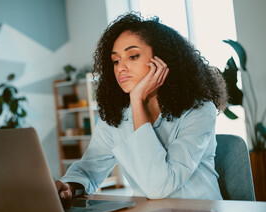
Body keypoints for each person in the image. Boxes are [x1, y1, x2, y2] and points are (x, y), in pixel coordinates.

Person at [55, 13, 228, 200]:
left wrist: (137, 100)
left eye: (133, 56)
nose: (120, 68)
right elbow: (89, 169)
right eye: (116, 60)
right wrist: (70, 186)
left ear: (162, 60)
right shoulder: (116, 117)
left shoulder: (199, 111)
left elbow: (158, 186)